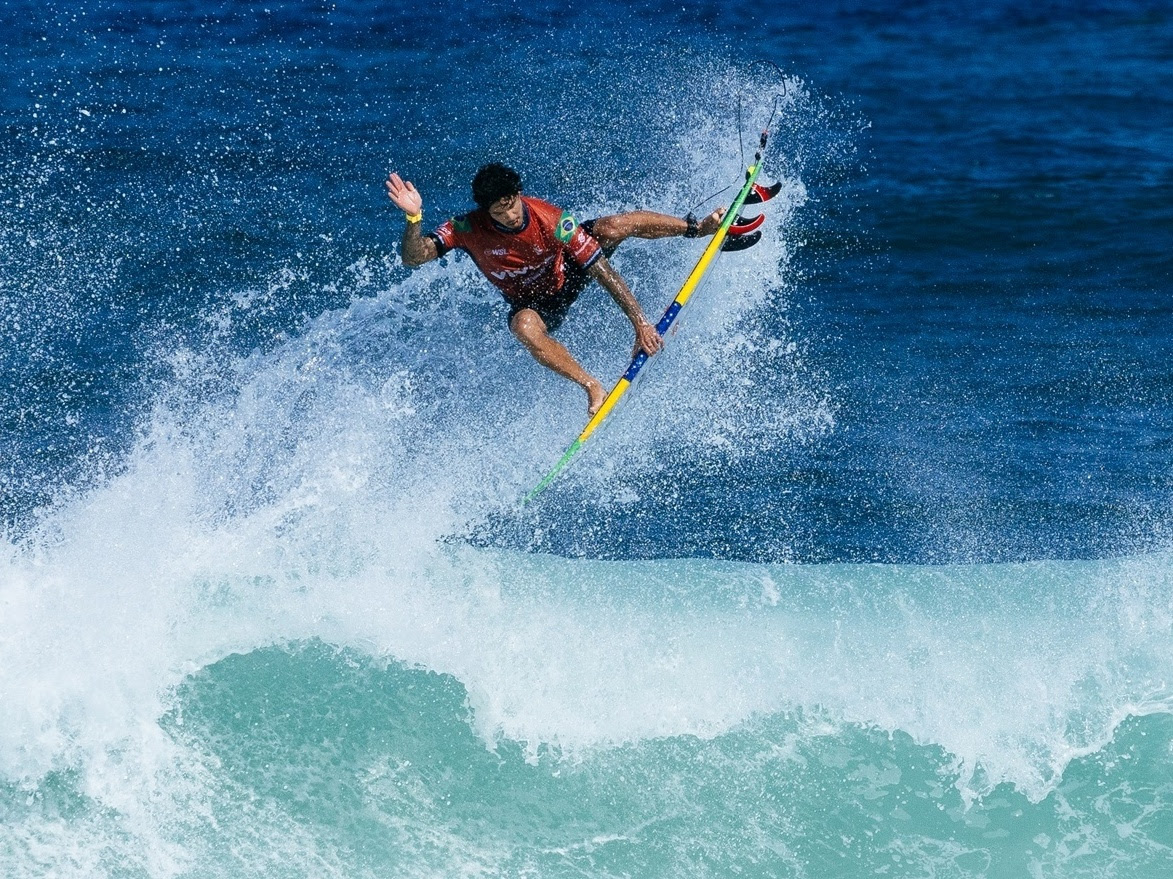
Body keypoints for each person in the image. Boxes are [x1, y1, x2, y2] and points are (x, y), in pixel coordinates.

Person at [386, 163, 724, 416]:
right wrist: (414, 220)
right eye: (498, 213)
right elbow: (415, 258)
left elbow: (602, 271)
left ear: (517, 195)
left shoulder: (551, 218)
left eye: (511, 205)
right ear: (485, 212)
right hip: (534, 303)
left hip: (568, 273)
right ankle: (592, 386)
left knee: (614, 226)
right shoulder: (465, 227)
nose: (509, 217)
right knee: (523, 327)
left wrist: (640, 323)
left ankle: (697, 227)